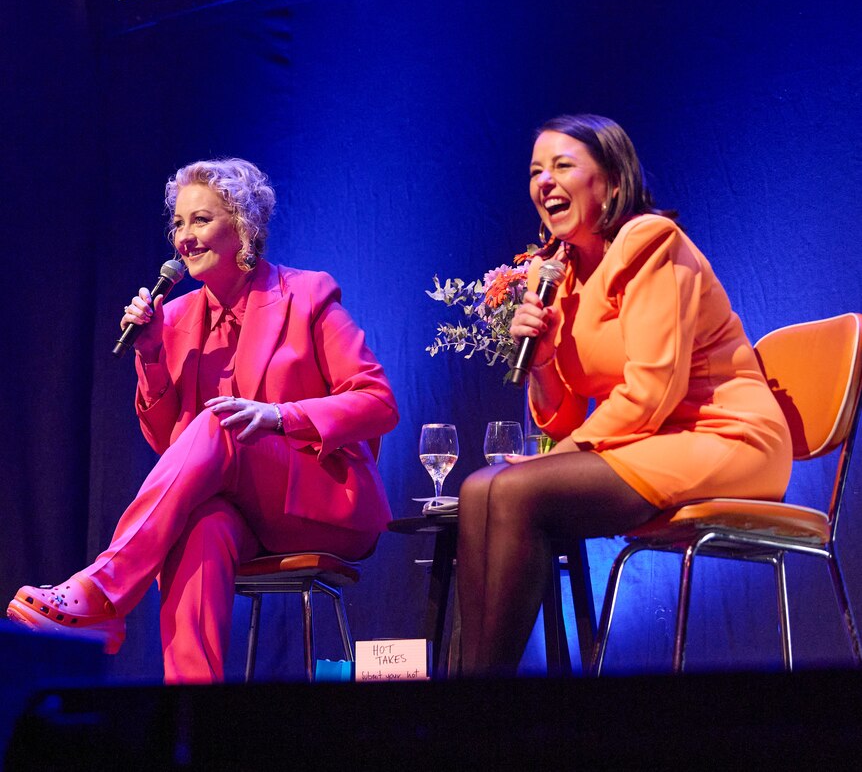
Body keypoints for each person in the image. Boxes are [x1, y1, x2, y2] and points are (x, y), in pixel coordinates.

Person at [7, 158, 398, 682]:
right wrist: (148, 355)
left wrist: (281, 416)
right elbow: (171, 446)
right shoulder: (175, 318)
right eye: (178, 224)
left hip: (322, 500)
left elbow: (377, 401)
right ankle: (191, 717)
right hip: (238, 512)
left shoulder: (307, 295)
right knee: (199, 522)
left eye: (201, 220)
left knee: (219, 426)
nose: (184, 238)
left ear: (245, 226)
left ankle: (103, 593)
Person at [457, 114, 793, 676]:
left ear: (612, 182)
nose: (545, 182)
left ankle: (485, 707)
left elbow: (654, 392)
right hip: (651, 441)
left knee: (514, 491)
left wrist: (561, 458)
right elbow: (562, 418)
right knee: (477, 489)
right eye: (536, 170)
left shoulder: (650, 244)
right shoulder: (559, 275)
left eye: (563, 166)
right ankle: (465, 690)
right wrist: (540, 362)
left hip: (724, 436)